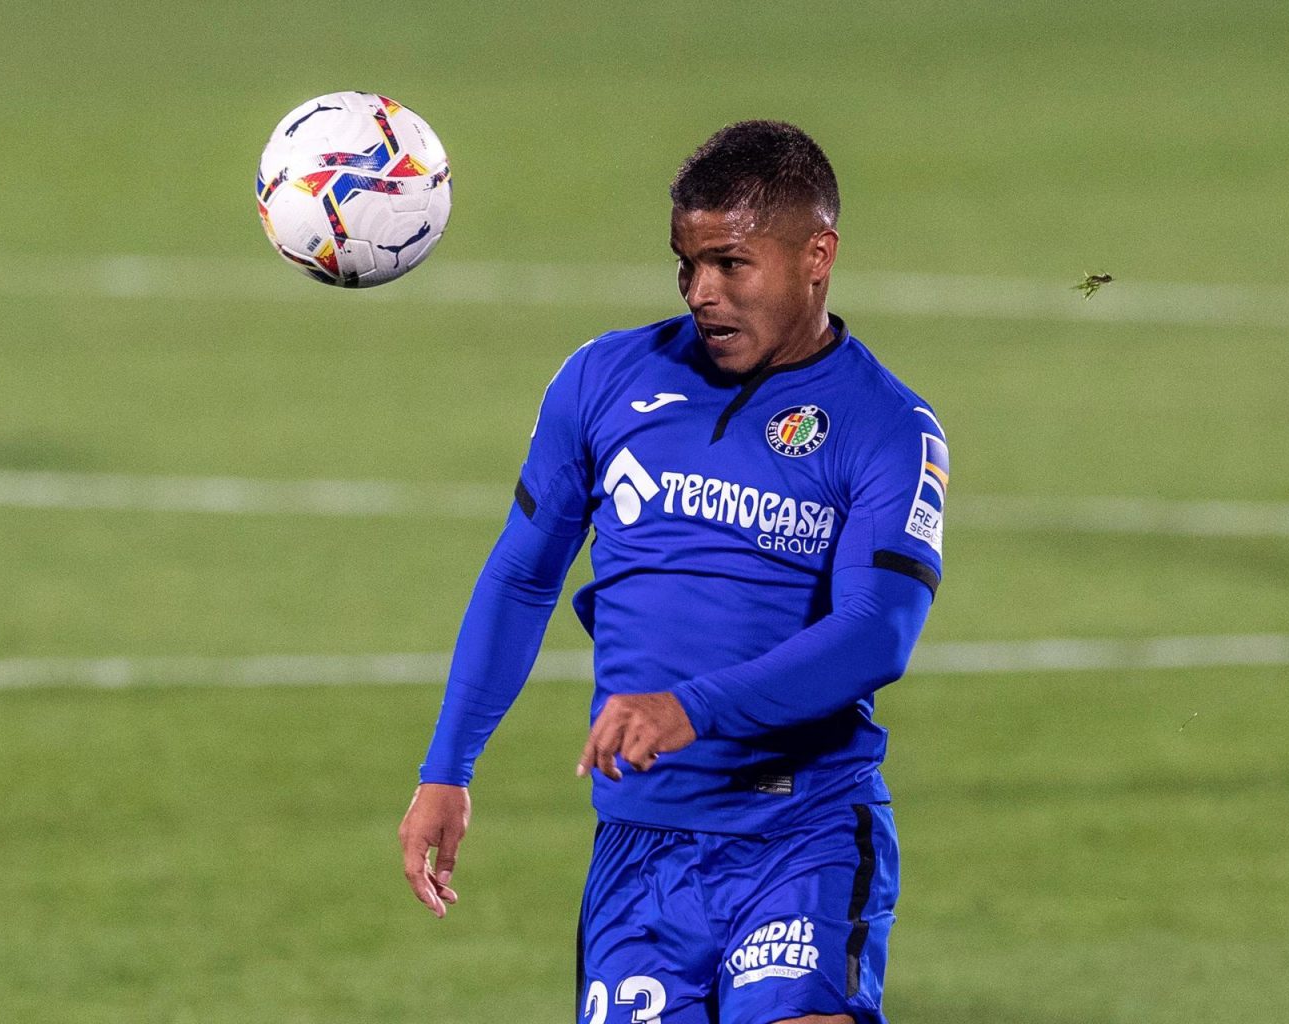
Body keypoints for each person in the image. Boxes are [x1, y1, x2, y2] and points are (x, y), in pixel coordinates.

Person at [399, 119, 948, 1024]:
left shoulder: (886, 425)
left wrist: (692, 708)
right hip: (641, 848)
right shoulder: (602, 380)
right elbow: (523, 577)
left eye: (732, 264)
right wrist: (446, 767)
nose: (702, 292)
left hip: (801, 831)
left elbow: (877, 632)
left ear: (819, 254)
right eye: (686, 264)